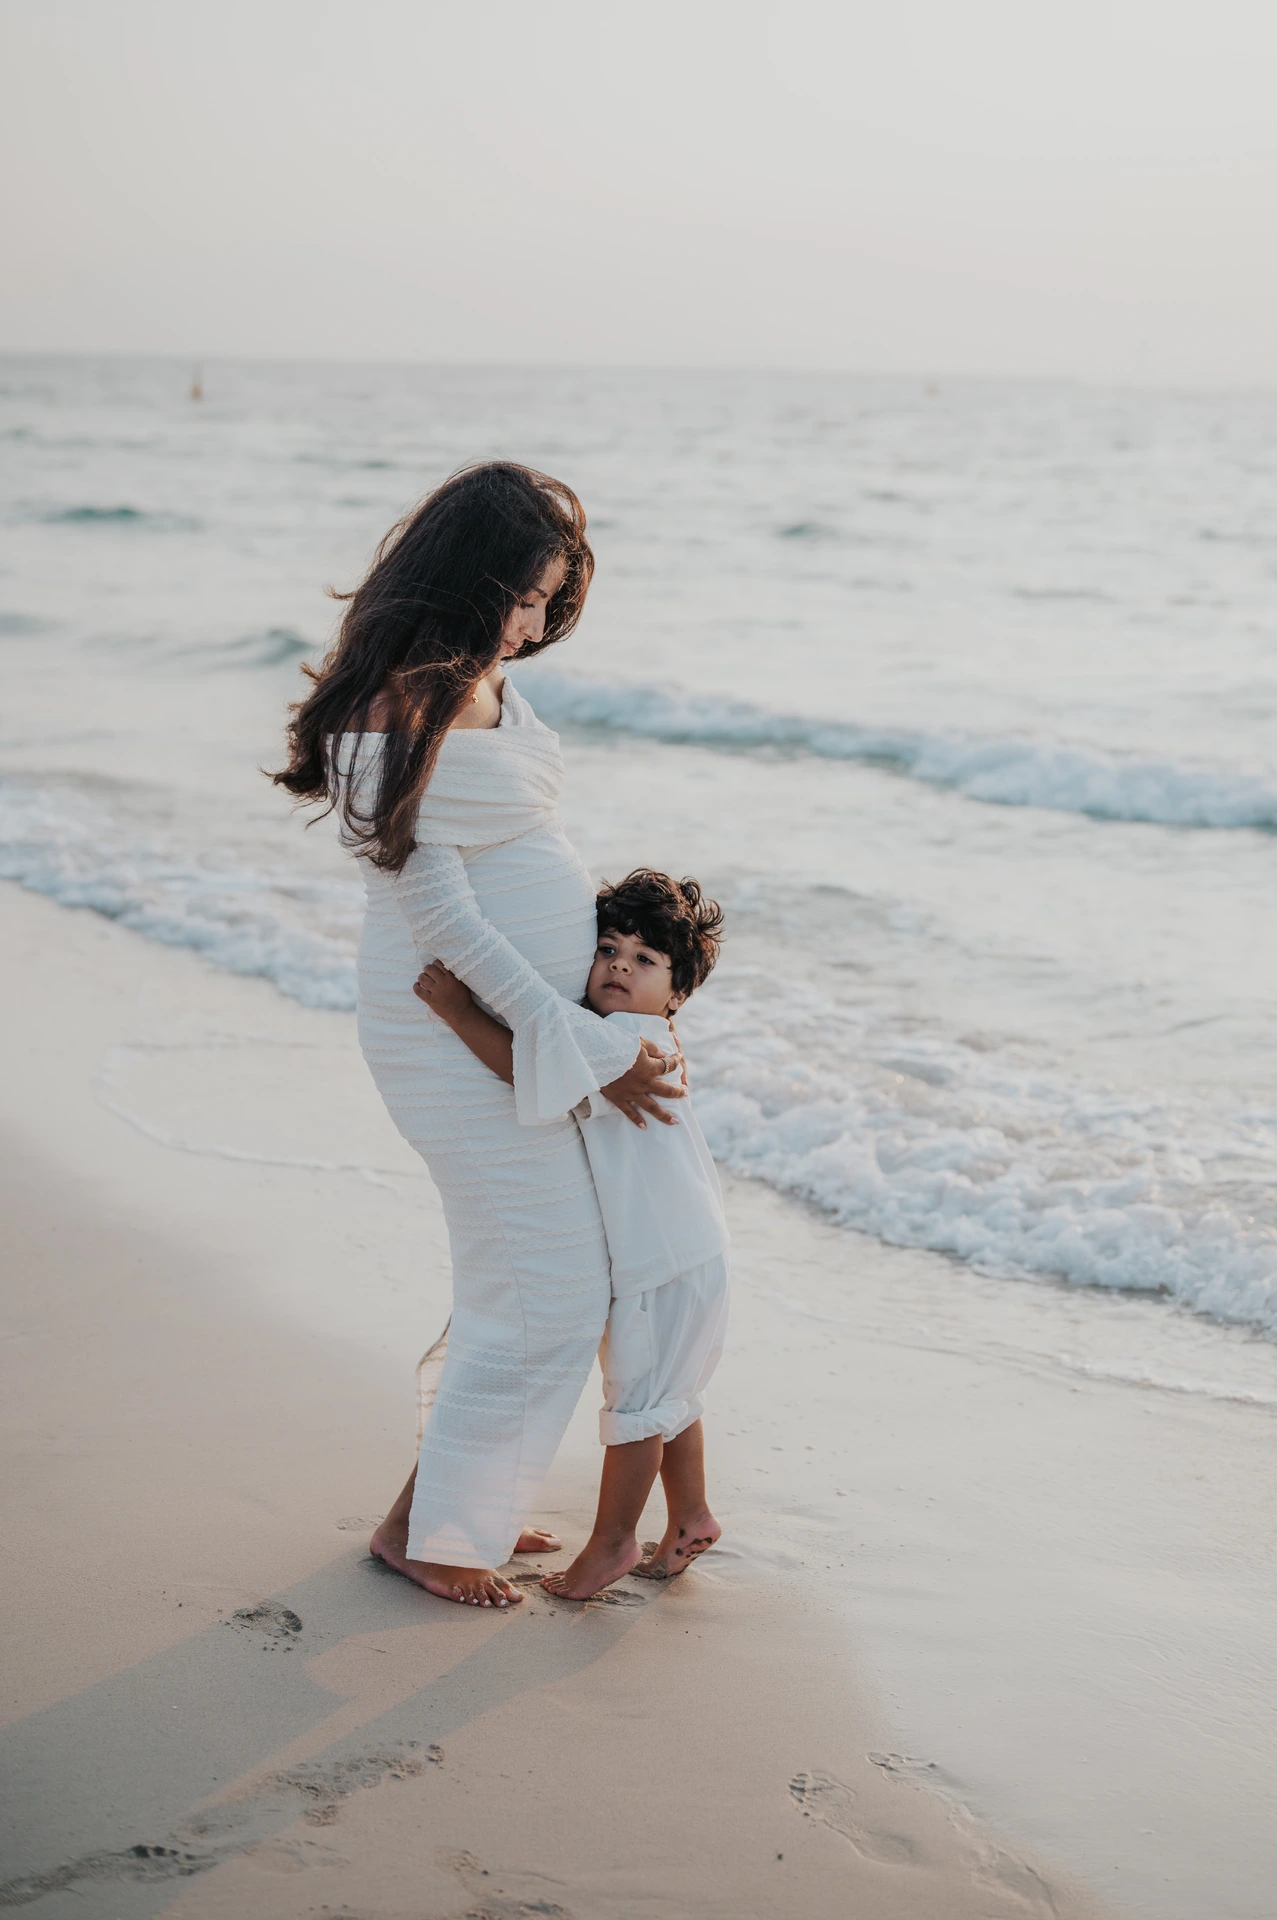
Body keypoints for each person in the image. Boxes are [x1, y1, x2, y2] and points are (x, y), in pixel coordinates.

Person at [272, 462, 684, 1608]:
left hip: (510, 1029)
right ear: (470, 576)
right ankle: (436, 1533)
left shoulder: (483, 683)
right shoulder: (395, 703)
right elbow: (439, 915)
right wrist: (564, 1034)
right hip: (447, 1030)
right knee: (547, 1282)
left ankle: (443, 1513)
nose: (537, 620)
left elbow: (512, 848)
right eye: (524, 594)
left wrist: (610, 998)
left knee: (532, 1274)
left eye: (552, 598)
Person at [414, 867, 729, 1601]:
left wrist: (461, 1011)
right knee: (669, 1396)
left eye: (644, 960)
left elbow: (529, 1070)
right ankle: (691, 1516)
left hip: (660, 1265)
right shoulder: (642, 1034)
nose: (619, 965)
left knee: (637, 1408)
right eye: (609, 948)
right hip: (691, 1254)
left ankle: (612, 1544)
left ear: (677, 993)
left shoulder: (620, 1040)